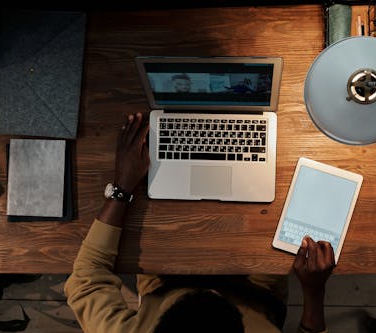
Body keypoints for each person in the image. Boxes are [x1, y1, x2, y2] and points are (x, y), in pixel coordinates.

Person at [64, 112, 336, 333]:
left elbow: (86, 280)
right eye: (217, 297)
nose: (213, 288)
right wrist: (313, 290)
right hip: (257, 292)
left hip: (164, 282)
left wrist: (123, 187)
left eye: (196, 296)